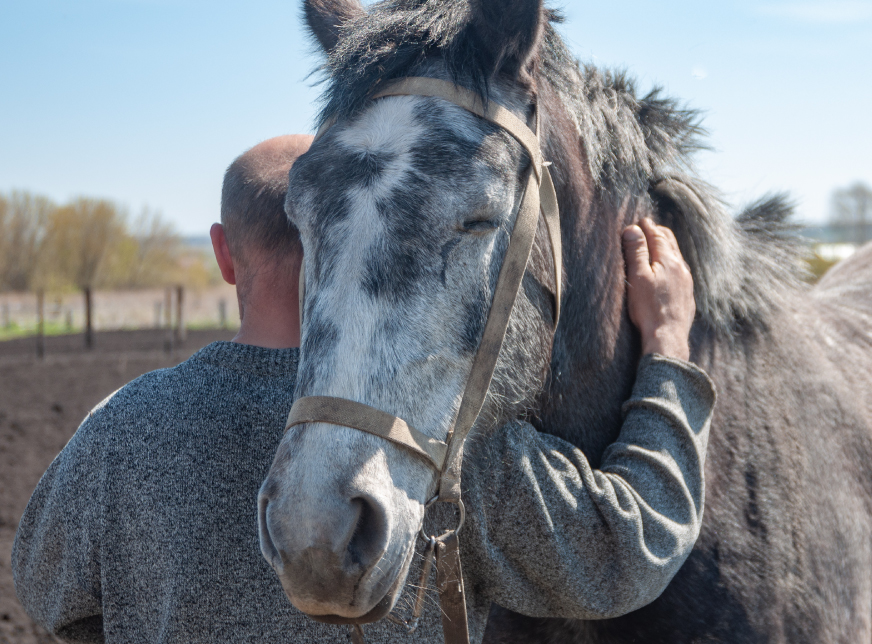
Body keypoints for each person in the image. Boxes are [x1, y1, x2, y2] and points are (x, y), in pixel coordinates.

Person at [13, 134, 716, 643]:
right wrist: (668, 345)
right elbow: (632, 545)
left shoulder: (117, 429)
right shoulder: (448, 452)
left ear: (224, 255)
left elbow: (47, 596)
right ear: (351, 235)